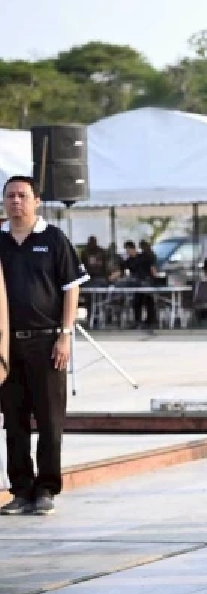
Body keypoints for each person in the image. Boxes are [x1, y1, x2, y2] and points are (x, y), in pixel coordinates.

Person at [0, 176, 88, 516]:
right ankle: (21, 490)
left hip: (47, 342)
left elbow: (71, 288)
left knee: (50, 420)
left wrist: (65, 335)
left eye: (23, 196)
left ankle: (47, 488)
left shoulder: (52, 239)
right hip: (8, 346)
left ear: (37, 200)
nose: (16, 201)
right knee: (13, 421)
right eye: (10, 196)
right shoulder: (1, 242)